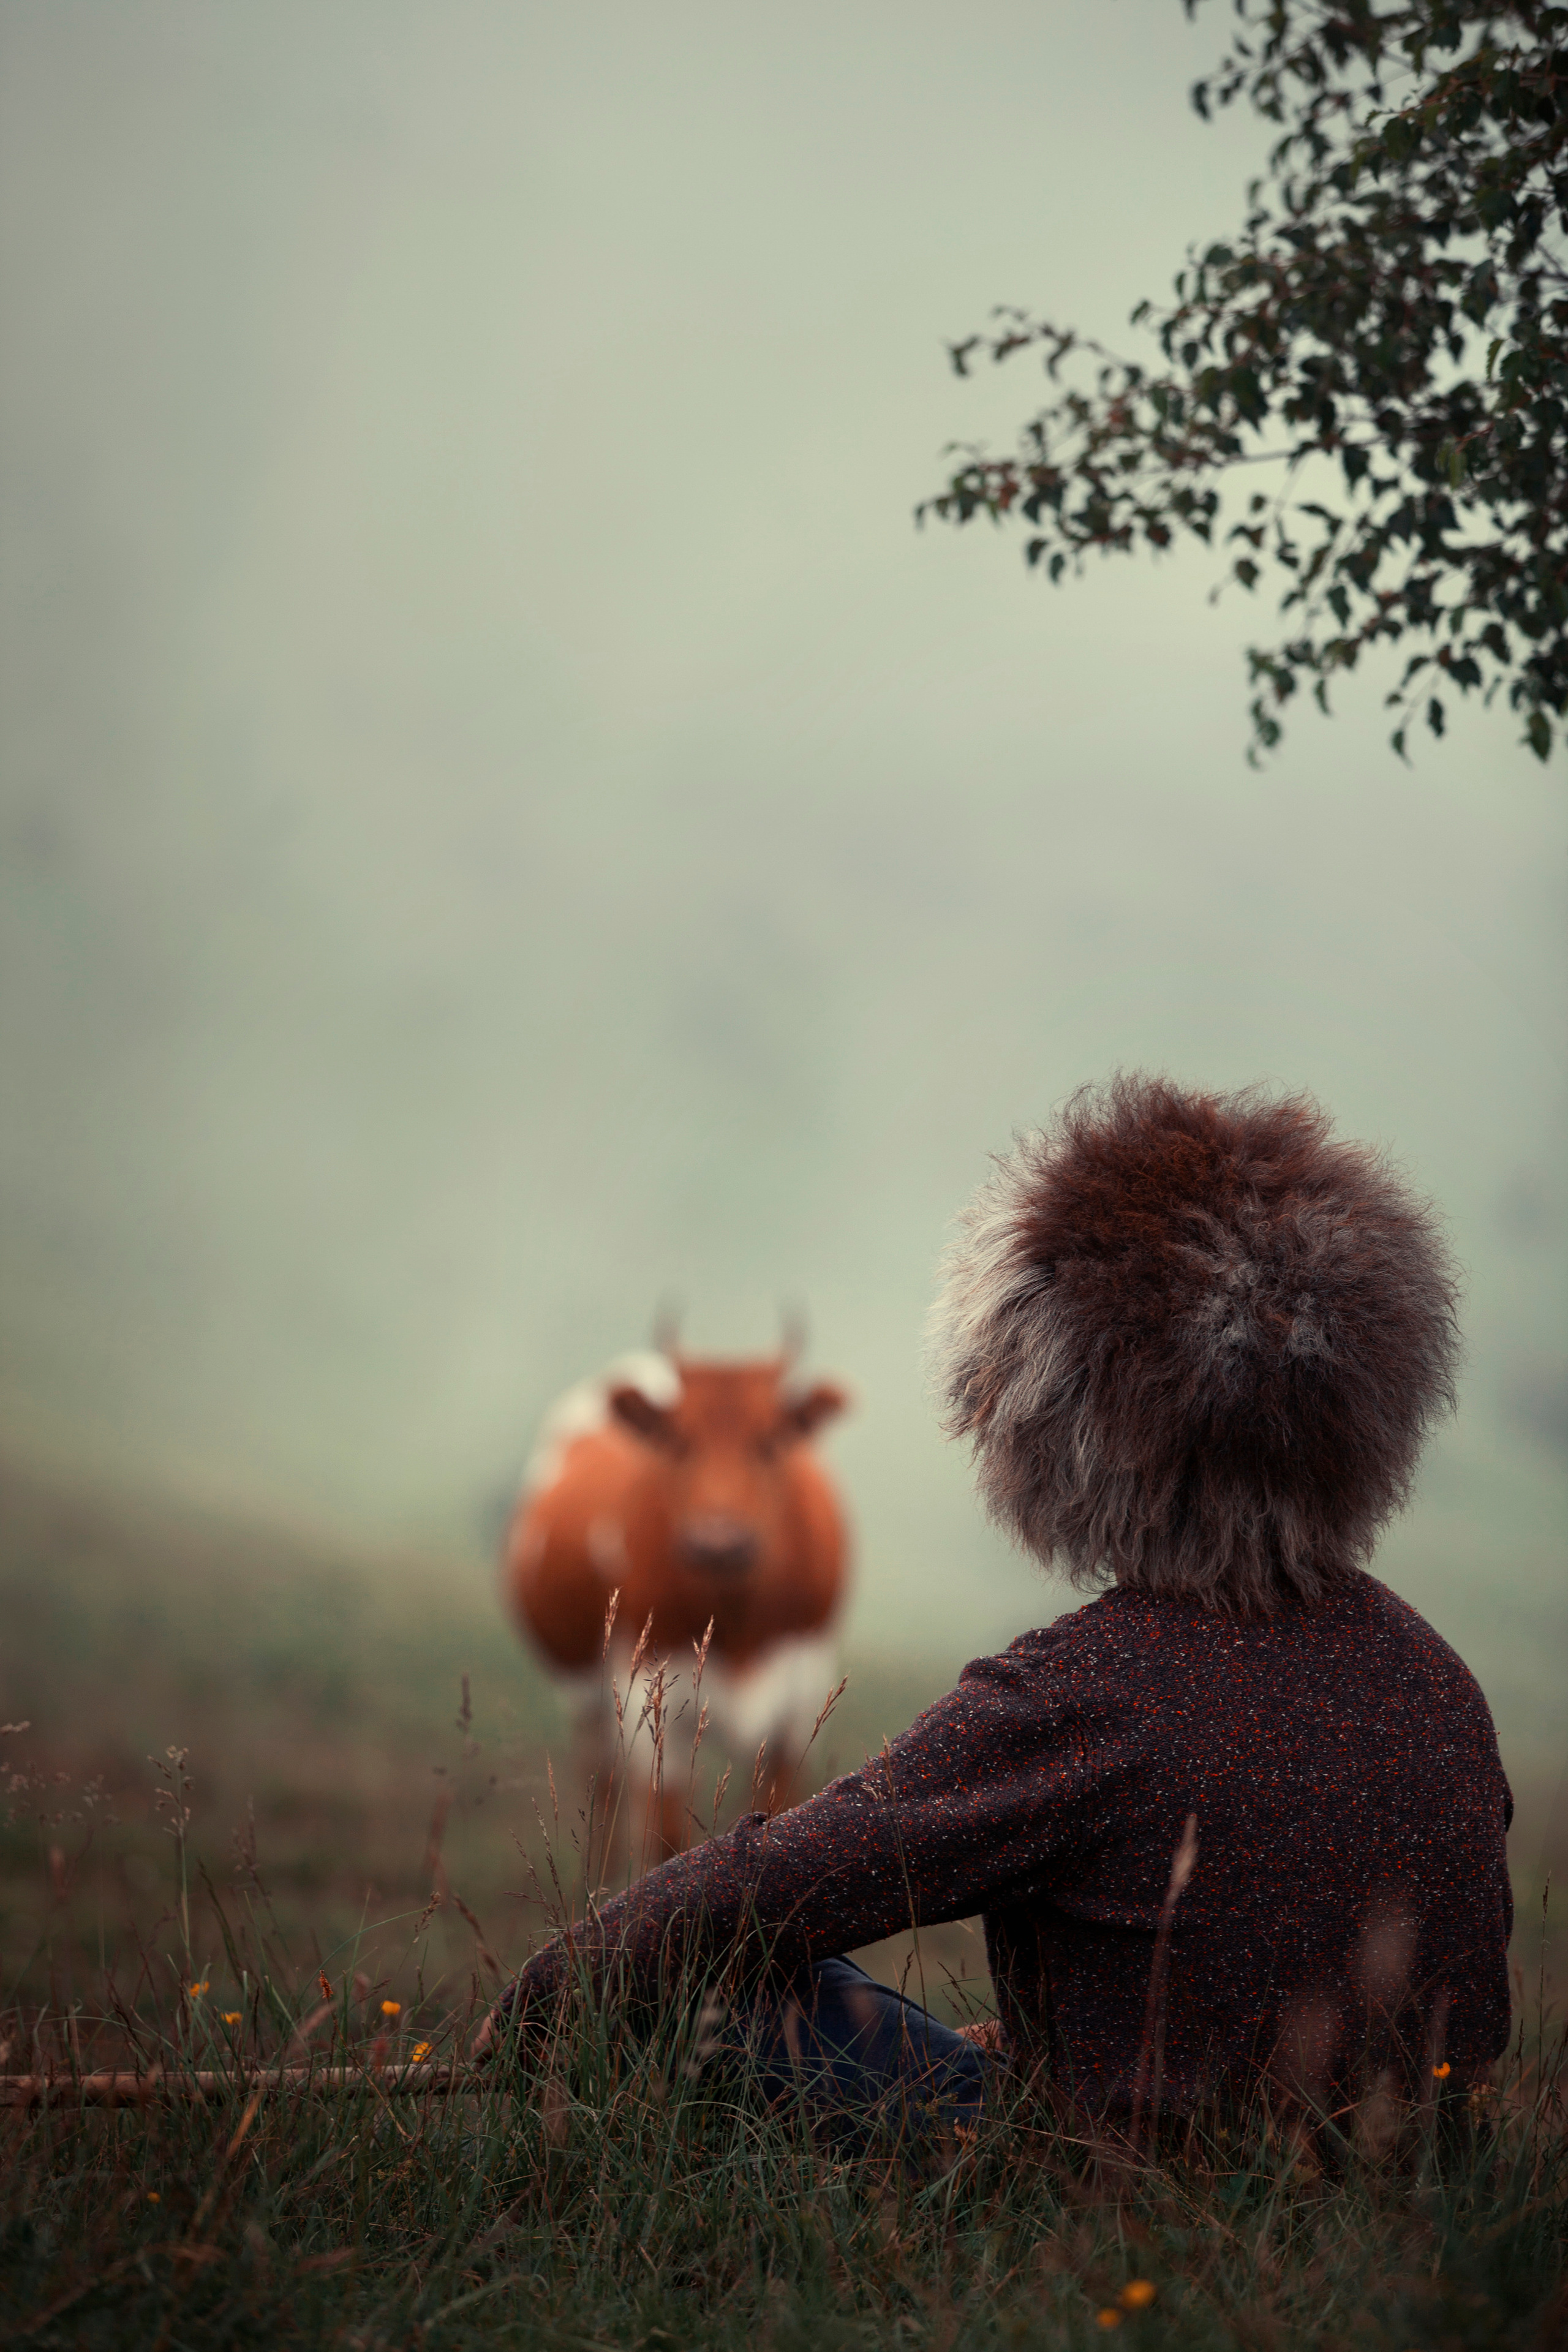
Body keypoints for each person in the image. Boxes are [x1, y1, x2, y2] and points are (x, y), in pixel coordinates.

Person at [481, 1077, 1513, 2142]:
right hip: (1409, 2174)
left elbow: (769, 1888)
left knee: (731, 1984)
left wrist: (556, 1991)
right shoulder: (1440, 1681)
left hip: (1115, 2187)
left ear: (1052, 1420)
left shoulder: (1083, 1694)